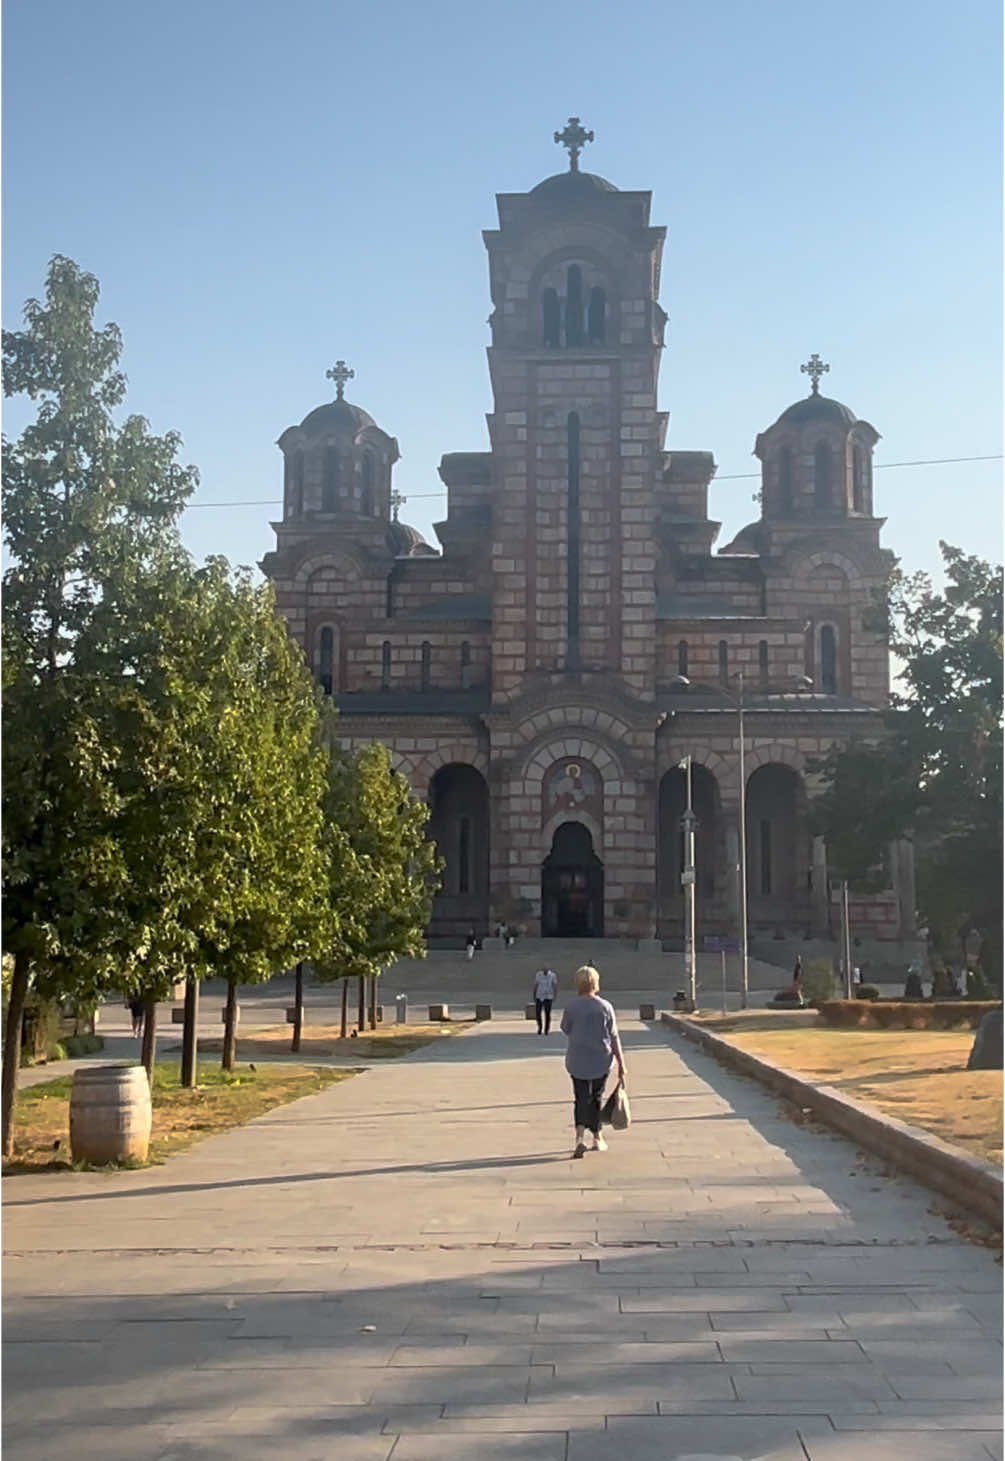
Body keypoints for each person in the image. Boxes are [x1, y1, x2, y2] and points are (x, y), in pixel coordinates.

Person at [560, 965, 626, 1159]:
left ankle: (579, 1138)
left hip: (577, 1060)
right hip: (601, 1060)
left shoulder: (571, 1006)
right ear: (596, 982)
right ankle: (597, 1138)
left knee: (580, 1097)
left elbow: (565, 1028)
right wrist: (622, 1064)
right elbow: (614, 1036)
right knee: (596, 1097)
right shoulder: (605, 1006)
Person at [532, 965, 558, 1035]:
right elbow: (536, 985)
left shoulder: (552, 975)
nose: (545, 971)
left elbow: (554, 985)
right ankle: (540, 1027)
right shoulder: (538, 975)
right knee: (538, 1013)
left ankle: (546, 1029)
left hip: (548, 997)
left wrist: (555, 995)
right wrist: (534, 994)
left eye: (546, 970)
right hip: (539, 996)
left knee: (547, 1014)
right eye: (544, 970)